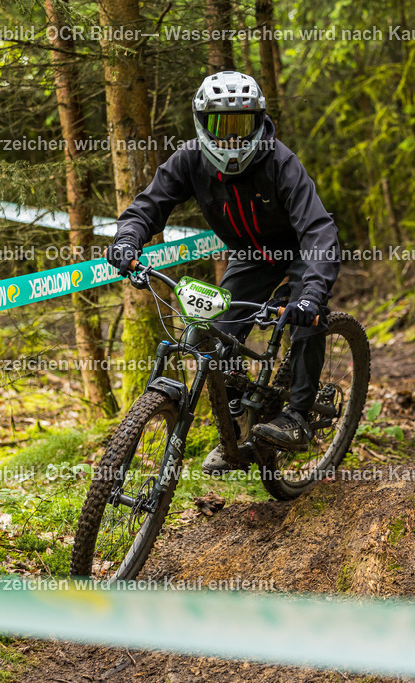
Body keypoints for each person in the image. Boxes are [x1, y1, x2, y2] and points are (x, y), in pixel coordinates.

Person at [105, 70, 341, 475]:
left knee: (307, 317)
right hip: (251, 256)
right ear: (202, 122)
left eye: (240, 124)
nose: (231, 137)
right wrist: (128, 240)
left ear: (258, 121)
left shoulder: (280, 161)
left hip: (301, 251)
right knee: (209, 338)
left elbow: (319, 230)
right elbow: (148, 205)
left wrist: (311, 294)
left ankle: (298, 417)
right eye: (221, 125)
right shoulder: (189, 159)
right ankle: (234, 429)